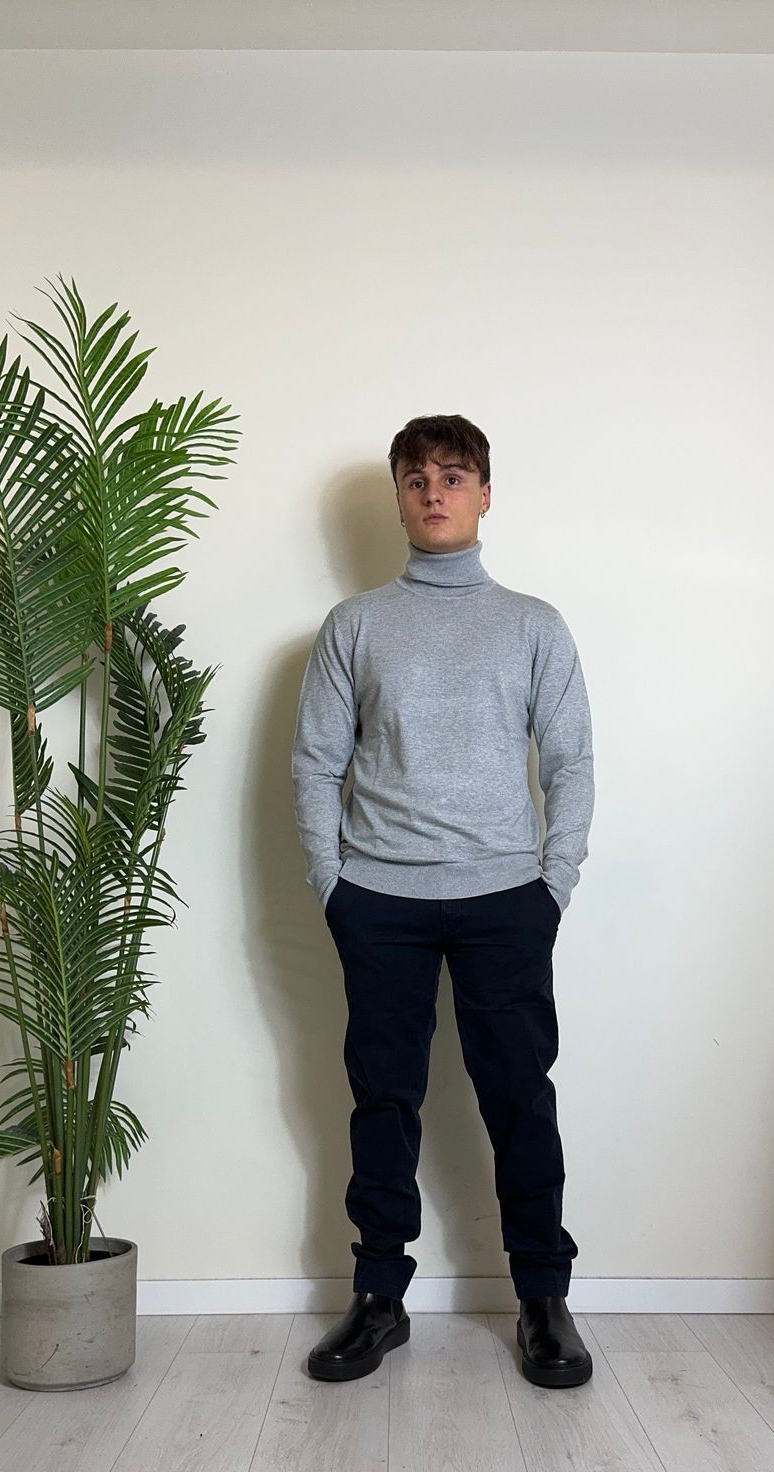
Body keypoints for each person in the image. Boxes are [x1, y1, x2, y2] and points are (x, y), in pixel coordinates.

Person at [291, 414, 595, 1389]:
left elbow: (570, 762)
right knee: (383, 1099)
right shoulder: (354, 626)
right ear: (397, 498)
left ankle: (542, 1299)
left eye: (453, 476)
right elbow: (315, 763)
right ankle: (378, 1297)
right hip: (377, 898)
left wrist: (552, 885)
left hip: (505, 898)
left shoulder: (532, 625)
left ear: (484, 495)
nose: (434, 492)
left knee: (519, 1097)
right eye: (416, 478)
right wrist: (333, 884)